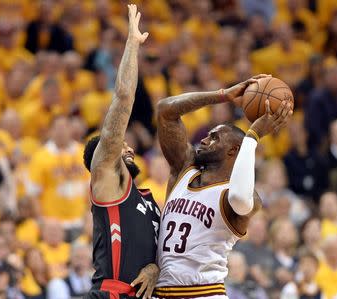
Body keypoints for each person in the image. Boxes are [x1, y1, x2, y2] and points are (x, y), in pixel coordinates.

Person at [154, 75, 292, 296]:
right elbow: (165, 111)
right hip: (161, 292)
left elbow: (239, 198)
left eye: (214, 137)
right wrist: (223, 95)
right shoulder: (185, 168)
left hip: (204, 292)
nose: (205, 140)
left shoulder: (242, 196)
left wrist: (252, 137)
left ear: (233, 150)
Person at [82, 5, 160, 299]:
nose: (126, 145)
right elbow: (124, 97)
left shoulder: (149, 201)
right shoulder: (105, 183)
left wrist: (154, 267)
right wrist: (132, 44)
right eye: (118, 145)